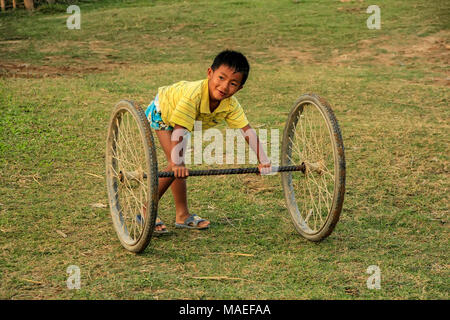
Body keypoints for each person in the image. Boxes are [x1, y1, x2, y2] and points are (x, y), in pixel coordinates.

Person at [145, 50, 272, 234]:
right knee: (175, 164)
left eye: (233, 83)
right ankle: (146, 210)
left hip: (185, 122)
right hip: (164, 111)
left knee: (177, 166)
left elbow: (247, 131)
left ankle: (182, 215)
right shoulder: (194, 96)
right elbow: (179, 129)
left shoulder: (230, 105)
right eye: (221, 77)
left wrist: (264, 159)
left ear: (239, 89)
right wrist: (177, 162)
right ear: (209, 73)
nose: (224, 86)